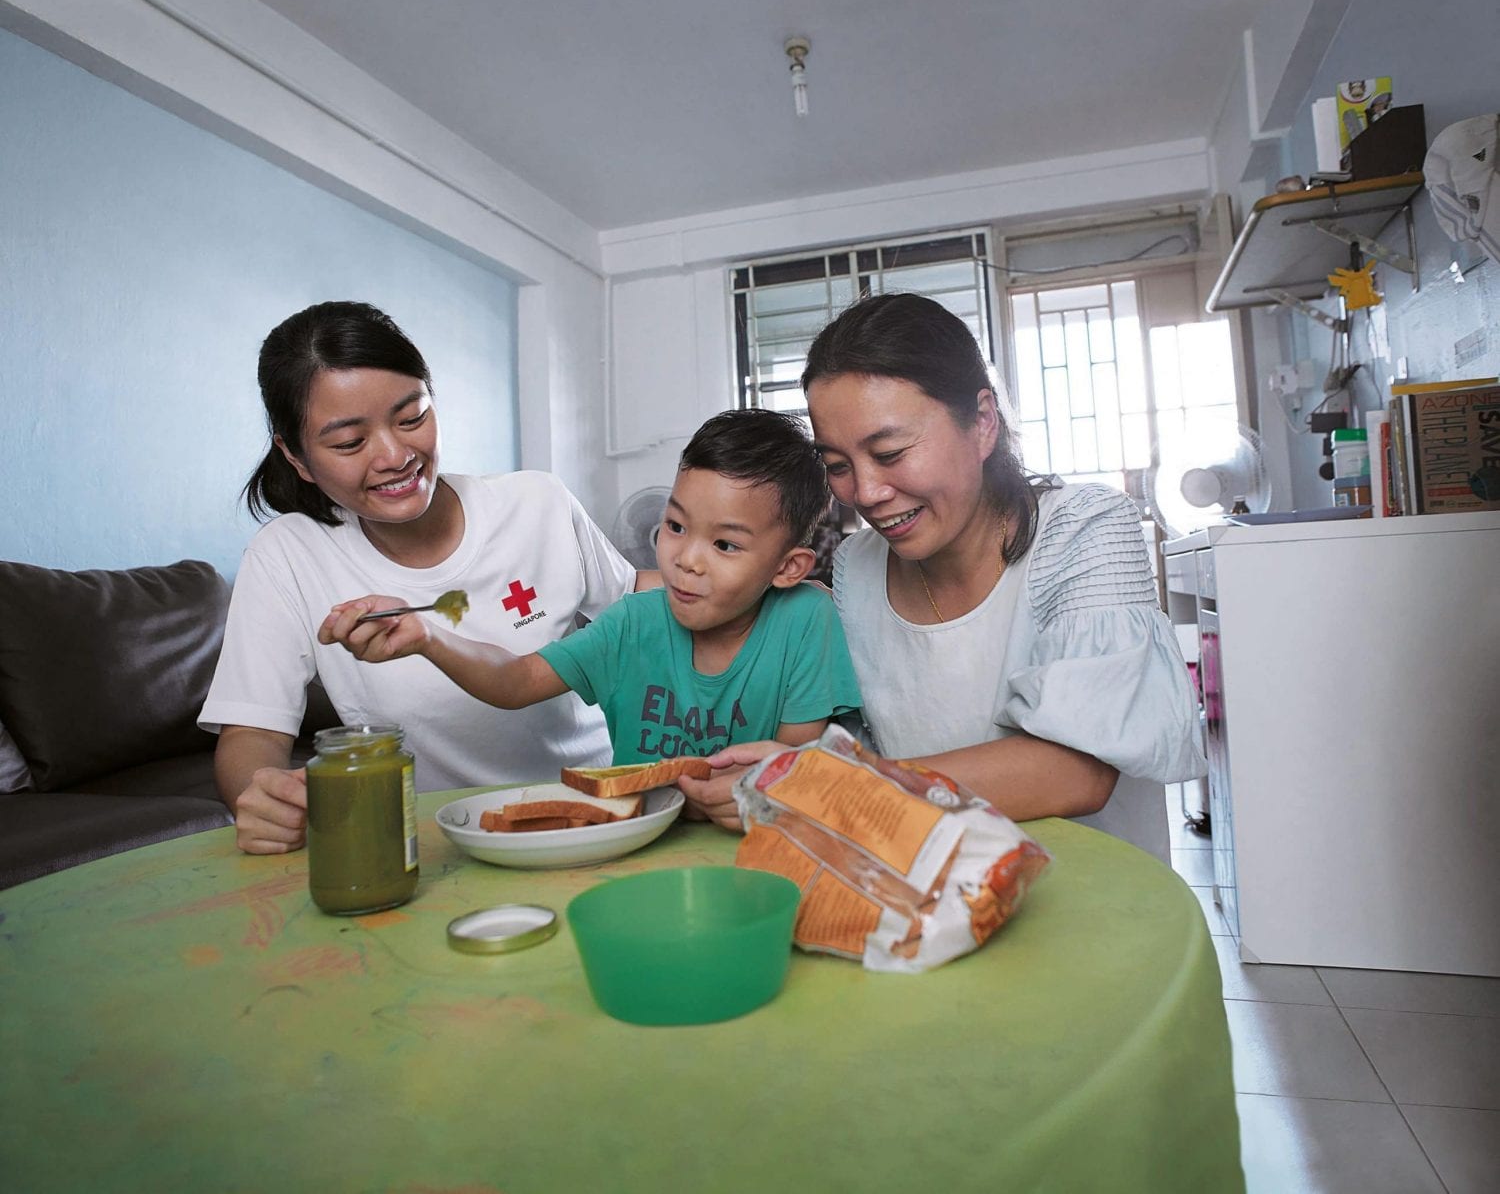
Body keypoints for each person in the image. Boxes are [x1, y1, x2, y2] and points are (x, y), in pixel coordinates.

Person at [680, 293, 1205, 861]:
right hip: (933, 902)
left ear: (982, 423)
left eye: (890, 452)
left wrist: (817, 784)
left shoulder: (1083, 529)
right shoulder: (858, 566)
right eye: (837, 466)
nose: (867, 494)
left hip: (1091, 907)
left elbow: (1074, 771)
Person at [201, 300, 653, 854]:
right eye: (350, 442)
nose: (395, 455)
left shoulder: (537, 502)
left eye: (412, 417)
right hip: (433, 841)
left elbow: (641, 606)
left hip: (592, 811)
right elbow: (254, 732)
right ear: (295, 457)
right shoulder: (288, 555)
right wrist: (265, 797)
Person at [322, 409, 863, 774]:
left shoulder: (804, 617)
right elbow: (518, 679)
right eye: (675, 527)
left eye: (725, 545)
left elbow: (794, 759)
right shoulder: (632, 623)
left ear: (789, 568)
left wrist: (745, 791)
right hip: (638, 840)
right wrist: (426, 636)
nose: (686, 560)